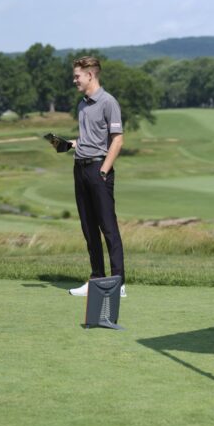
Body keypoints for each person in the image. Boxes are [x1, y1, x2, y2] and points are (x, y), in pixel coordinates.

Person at [68, 56, 126, 298]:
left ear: (90, 75)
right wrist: (71, 144)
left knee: (108, 227)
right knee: (88, 227)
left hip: (98, 170)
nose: (74, 80)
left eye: (77, 76)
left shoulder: (108, 102)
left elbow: (117, 140)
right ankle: (97, 278)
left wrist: (104, 170)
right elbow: (89, 138)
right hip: (80, 168)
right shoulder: (82, 105)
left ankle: (118, 283)